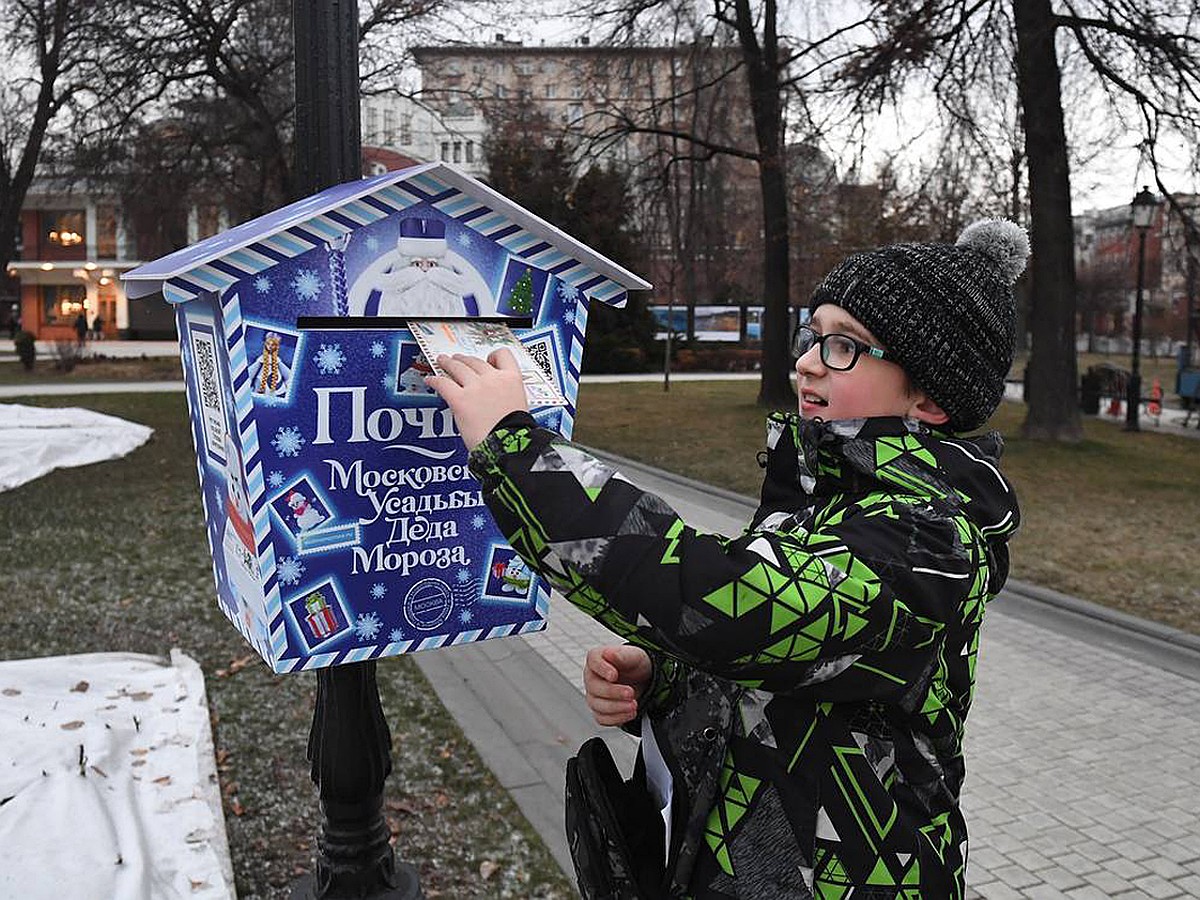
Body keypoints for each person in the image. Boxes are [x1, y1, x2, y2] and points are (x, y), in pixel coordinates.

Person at [427, 219, 1027, 899]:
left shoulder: (928, 541)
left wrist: (518, 450)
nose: (806, 361)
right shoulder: (829, 498)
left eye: (843, 346)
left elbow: (731, 605)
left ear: (930, 398)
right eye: (813, 334)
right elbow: (790, 666)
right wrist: (666, 681)